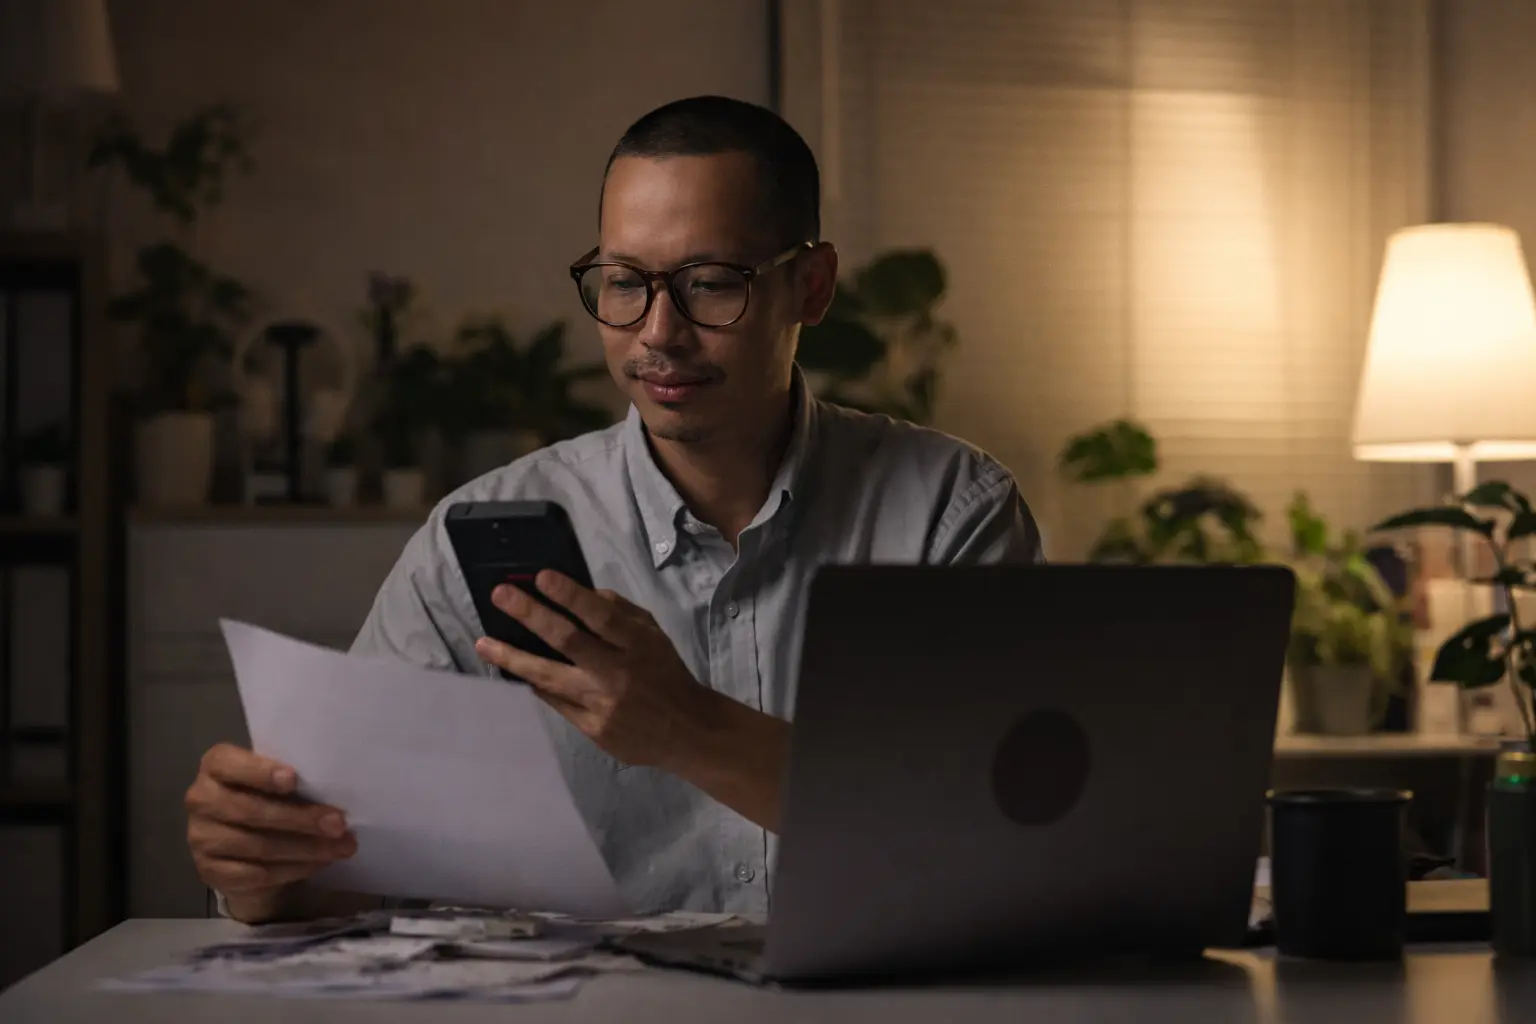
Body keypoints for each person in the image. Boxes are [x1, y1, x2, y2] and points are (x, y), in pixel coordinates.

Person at [184, 95, 1043, 924]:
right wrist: (264, 873)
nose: (658, 332)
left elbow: (997, 829)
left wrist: (690, 729)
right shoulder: (468, 539)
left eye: (710, 284)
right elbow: (357, 864)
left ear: (811, 287)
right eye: (624, 281)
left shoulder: (948, 516)